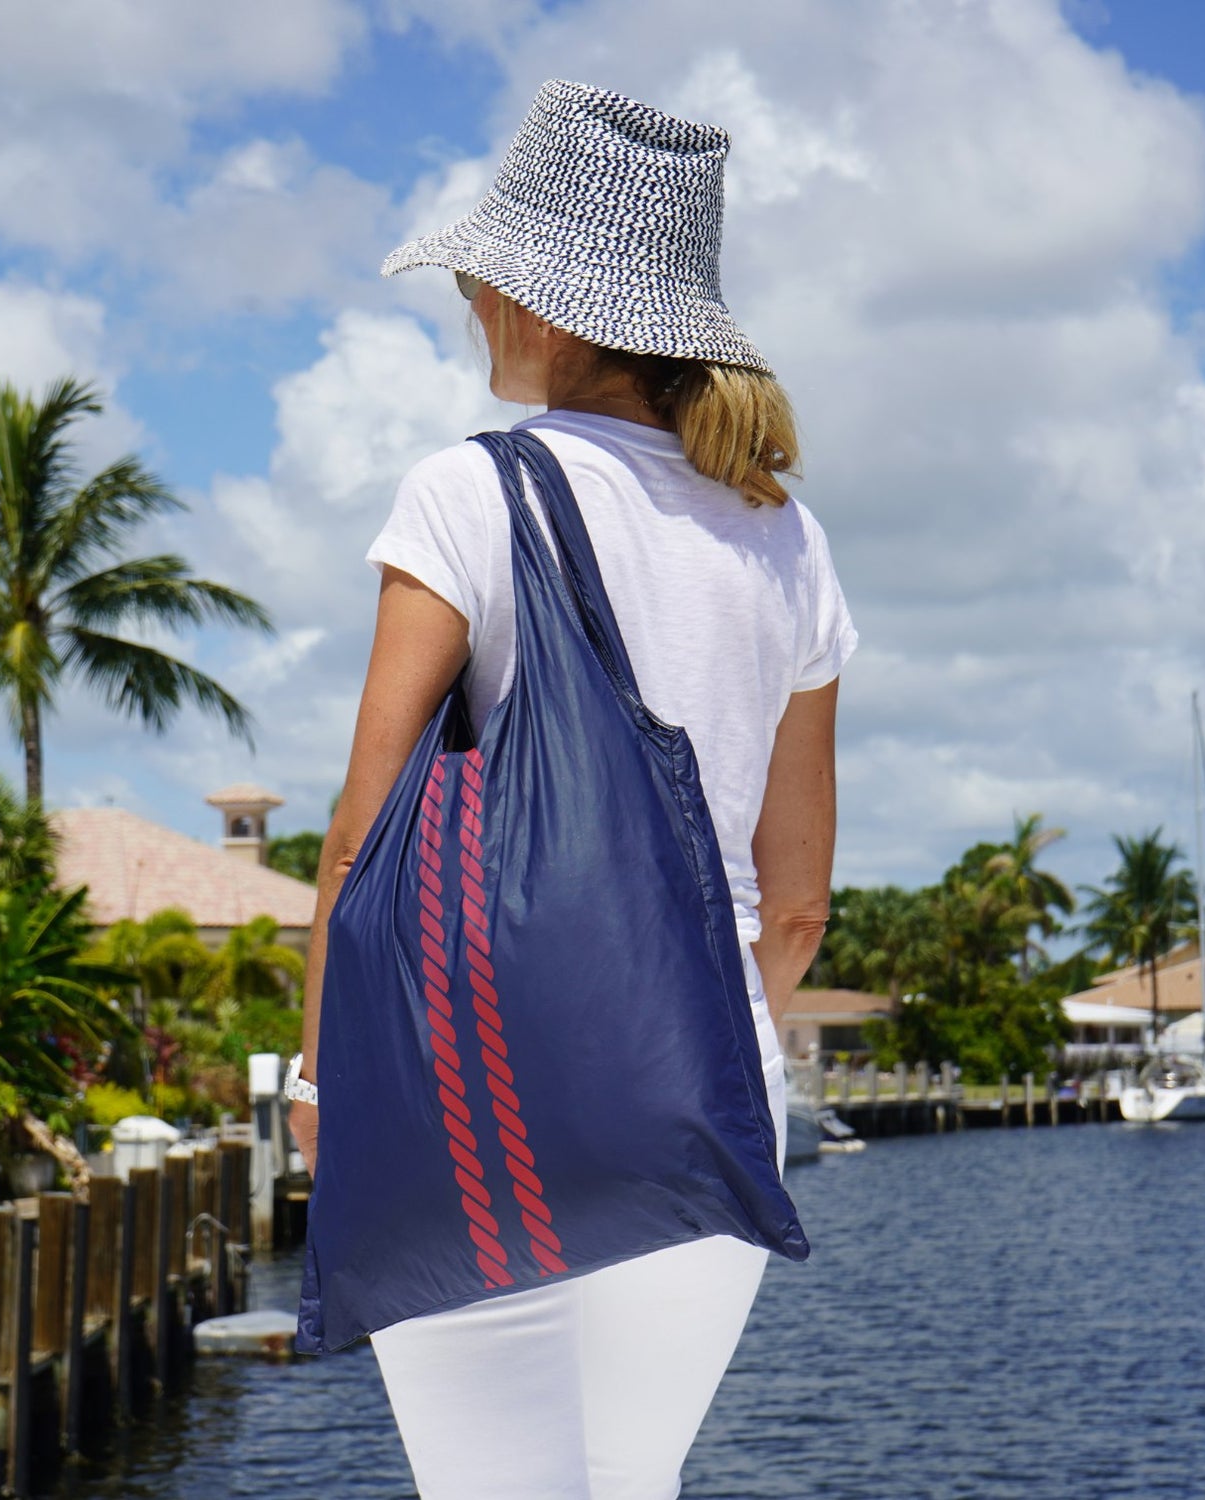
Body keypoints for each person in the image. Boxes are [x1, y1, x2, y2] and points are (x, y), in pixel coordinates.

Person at [287, 80, 857, 1499]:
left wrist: (320, 1073)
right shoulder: (789, 542)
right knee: (630, 1481)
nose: (473, 308)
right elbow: (797, 907)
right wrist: (704, 1038)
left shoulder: (468, 493)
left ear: (548, 309)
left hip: (480, 1075)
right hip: (711, 1080)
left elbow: (363, 837)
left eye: (480, 284)